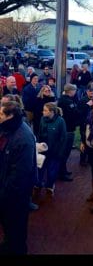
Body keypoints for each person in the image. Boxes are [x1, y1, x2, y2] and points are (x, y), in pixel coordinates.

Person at [0, 100, 35, 255]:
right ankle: (9, 245)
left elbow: (20, 174)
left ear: (10, 115)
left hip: (15, 194)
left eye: (1, 114)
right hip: (6, 188)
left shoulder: (23, 137)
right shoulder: (8, 128)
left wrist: (4, 193)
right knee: (8, 224)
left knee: (17, 225)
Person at [35, 102, 67, 202]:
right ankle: (38, 186)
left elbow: (63, 138)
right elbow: (39, 133)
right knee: (40, 170)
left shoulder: (60, 121)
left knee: (52, 172)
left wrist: (60, 152)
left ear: (51, 112)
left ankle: (50, 187)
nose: (42, 112)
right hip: (43, 151)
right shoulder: (42, 119)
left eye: (45, 110)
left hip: (55, 152)